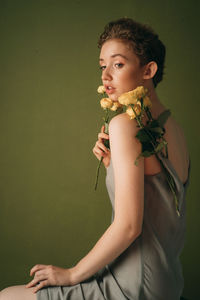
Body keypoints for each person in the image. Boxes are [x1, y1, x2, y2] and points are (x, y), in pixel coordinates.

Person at [0, 17, 191, 300]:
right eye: (102, 66)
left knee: (7, 296)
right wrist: (115, 166)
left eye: (118, 64)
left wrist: (72, 273)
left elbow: (129, 226)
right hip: (167, 284)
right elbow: (159, 205)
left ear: (148, 70)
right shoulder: (174, 127)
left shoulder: (125, 124)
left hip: (133, 286)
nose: (105, 76)